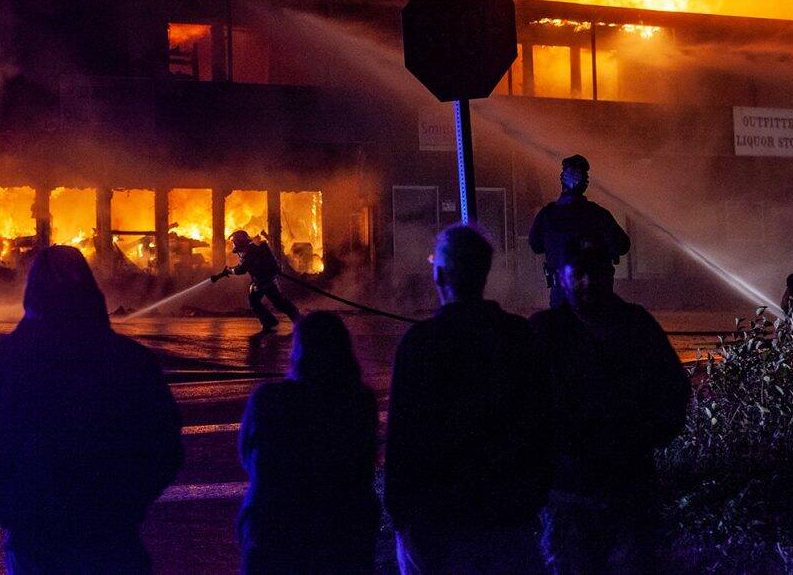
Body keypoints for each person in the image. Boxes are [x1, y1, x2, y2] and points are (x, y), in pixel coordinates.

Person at [0, 245, 183, 574]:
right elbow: (164, 449)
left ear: (32, 292)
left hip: (35, 536)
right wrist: (128, 504)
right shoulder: (131, 360)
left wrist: (9, 506)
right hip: (113, 534)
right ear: (90, 290)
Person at [385, 224, 553, 574]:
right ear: (484, 273)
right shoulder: (517, 337)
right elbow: (542, 420)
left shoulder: (420, 343)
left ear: (438, 274)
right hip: (505, 515)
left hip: (435, 521)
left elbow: (402, 435)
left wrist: (401, 513)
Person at [530, 239, 690, 573]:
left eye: (598, 273)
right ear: (560, 277)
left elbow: (673, 390)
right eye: (580, 275)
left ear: (611, 275)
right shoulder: (546, 332)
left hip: (628, 489)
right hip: (568, 494)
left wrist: (641, 437)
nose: (589, 282)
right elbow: (520, 403)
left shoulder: (636, 325)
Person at [238, 311, 379, 574]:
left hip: (277, 532)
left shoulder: (271, 399)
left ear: (298, 351)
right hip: (342, 533)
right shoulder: (360, 402)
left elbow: (249, 456)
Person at [529, 154, 629, 308]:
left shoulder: (547, 215)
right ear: (584, 183)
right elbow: (622, 245)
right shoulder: (598, 214)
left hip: (561, 294)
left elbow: (536, 246)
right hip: (595, 295)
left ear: (562, 181)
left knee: (562, 330)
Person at [214, 230, 300, 334]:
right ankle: (284, 319)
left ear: (240, 241)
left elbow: (241, 269)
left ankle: (278, 321)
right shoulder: (252, 248)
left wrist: (229, 270)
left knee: (263, 301)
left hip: (262, 280)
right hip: (264, 279)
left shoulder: (248, 252)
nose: (234, 244)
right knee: (275, 301)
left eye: (235, 242)